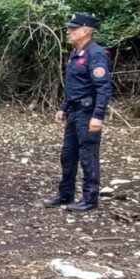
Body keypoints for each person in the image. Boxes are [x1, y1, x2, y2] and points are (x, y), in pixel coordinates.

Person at [44, 12, 112, 212]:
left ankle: (90, 199)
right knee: (68, 155)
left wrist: (98, 116)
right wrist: (63, 107)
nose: (68, 32)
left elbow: (103, 88)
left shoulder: (96, 54)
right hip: (73, 112)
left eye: (73, 28)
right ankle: (65, 194)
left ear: (86, 30)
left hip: (87, 112)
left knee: (88, 155)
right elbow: (74, 86)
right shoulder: (76, 53)